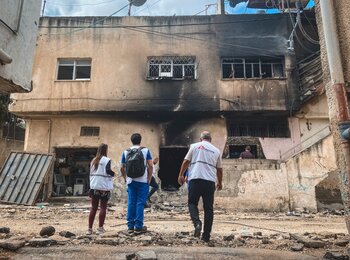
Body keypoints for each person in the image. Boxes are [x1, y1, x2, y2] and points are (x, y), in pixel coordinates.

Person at [178, 131, 223, 242]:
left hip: (195, 179)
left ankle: (197, 223)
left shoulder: (194, 146)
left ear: (200, 139)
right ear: (210, 139)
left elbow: (186, 161)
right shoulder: (216, 150)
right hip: (209, 182)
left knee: (192, 203)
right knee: (208, 208)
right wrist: (220, 182)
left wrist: (181, 175)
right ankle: (206, 236)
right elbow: (219, 170)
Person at [121, 133, 153, 235]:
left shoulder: (126, 152)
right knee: (140, 203)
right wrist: (149, 177)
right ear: (140, 140)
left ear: (131, 140)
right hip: (143, 181)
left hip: (131, 181)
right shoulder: (145, 150)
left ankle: (130, 226)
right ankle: (138, 227)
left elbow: (122, 167)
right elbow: (150, 165)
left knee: (131, 202)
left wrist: (125, 178)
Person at [87, 143, 115, 235]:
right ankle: (100, 228)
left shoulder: (93, 160)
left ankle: (89, 229)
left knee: (93, 208)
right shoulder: (107, 160)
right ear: (105, 150)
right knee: (103, 207)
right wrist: (113, 173)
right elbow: (108, 171)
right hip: (104, 187)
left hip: (94, 186)